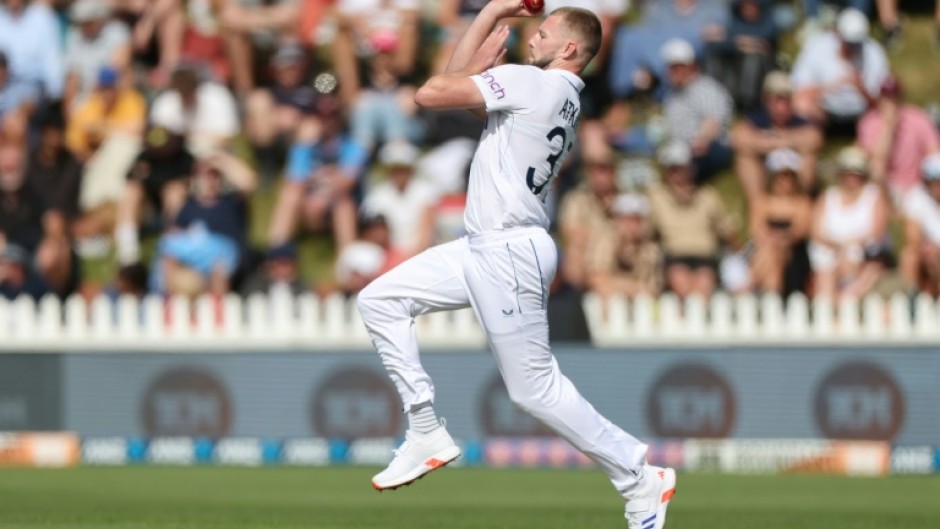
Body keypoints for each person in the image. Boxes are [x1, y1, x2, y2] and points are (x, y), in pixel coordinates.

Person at [355, 4, 676, 529]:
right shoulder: (558, 97)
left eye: (543, 33)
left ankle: (639, 477)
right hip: (484, 244)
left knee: (534, 390)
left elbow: (431, 94)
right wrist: (483, 38)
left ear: (568, 49)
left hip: (508, 248)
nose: (532, 38)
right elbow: (452, 93)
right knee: (379, 300)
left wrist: (490, 15)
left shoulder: (533, 84)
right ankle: (424, 428)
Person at [808, 146, 890, 300]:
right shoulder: (828, 196)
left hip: (864, 259)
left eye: (856, 173)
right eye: (848, 173)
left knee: (866, 269)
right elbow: (816, 233)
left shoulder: (874, 195)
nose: (852, 178)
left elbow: (877, 233)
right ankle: (831, 311)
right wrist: (839, 248)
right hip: (829, 256)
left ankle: (841, 306)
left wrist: (850, 248)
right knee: (826, 274)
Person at [730, 71, 822, 201]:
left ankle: (803, 202)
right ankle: (758, 204)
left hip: (794, 171)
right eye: (777, 100)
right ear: (767, 100)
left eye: (786, 100)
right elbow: (738, 138)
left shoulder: (799, 121)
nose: (782, 107)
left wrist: (766, 140)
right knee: (745, 158)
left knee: (809, 157)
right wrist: (779, 141)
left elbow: (814, 138)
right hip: (765, 171)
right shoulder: (757, 119)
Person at [747, 149, 813, 296]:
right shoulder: (761, 201)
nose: (786, 181)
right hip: (766, 249)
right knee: (771, 255)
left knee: (773, 253)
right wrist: (773, 240)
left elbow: (800, 231)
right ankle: (769, 293)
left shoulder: (803, 203)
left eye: (790, 176)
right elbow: (756, 230)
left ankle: (750, 287)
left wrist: (779, 239)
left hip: (793, 252)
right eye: (782, 176)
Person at [899, 153, 940, 296]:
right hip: (926, 253)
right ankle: (910, 298)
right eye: (934, 181)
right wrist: (929, 248)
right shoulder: (916, 197)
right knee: (910, 256)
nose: (937, 187)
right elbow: (913, 238)